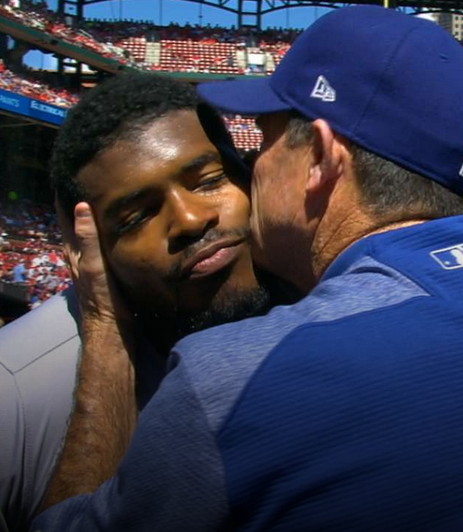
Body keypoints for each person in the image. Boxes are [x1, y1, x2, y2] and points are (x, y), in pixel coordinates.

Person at [33, 6, 463, 531]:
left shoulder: (228, 379)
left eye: (264, 141)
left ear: (319, 156)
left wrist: (107, 333)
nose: (255, 168)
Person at [0, 72, 288, 532]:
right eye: (137, 217)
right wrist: (107, 339)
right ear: (91, 247)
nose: (191, 220)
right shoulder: (11, 392)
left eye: (209, 180)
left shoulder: (329, 296)